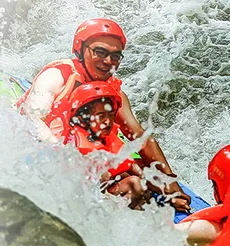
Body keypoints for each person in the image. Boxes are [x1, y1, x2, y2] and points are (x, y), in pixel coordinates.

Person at [16, 18, 190, 212]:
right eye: (100, 52)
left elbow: (139, 136)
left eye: (115, 56)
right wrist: (64, 159)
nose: (108, 61)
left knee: (141, 173)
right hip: (51, 151)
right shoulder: (58, 76)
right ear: (81, 49)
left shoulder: (114, 93)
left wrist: (171, 187)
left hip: (87, 152)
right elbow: (32, 118)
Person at [65, 81, 151, 209]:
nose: (108, 121)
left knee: (139, 184)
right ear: (83, 118)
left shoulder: (109, 137)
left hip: (112, 188)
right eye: (100, 116)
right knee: (134, 184)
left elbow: (133, 166)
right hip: (89, 198)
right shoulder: (73, 144)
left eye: (111, 114)